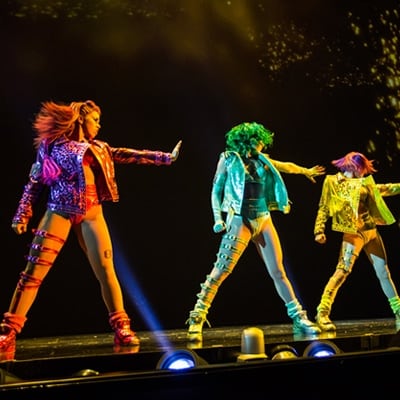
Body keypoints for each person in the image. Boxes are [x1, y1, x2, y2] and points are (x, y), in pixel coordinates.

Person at [0, 100, 182, 359]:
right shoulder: (50, 147)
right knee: (33, 273)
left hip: (92, 214)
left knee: (107, 271)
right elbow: (35, 182)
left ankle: (122, 327)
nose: (99, 124)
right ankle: (8, 332)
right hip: (58, 212)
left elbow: (127, 154)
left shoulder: (100, 148)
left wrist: (164, 158)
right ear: (81, 120)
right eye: (95, 119)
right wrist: (22, 214)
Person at [185, 121, 325, 342]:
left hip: (263, 218)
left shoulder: (262, 159)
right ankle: (197, 317)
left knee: (278, 271)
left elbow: (285, 165)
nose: (263, 144)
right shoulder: (228, 159)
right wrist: (217, 219)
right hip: (240, 219)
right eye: (259, 140)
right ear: (248, 140)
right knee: (221, 270)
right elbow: (216, 190)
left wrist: (305, 171)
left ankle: (299, 317)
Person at [314, 151, 400, 331]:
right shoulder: (332, 182)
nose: (364, 172)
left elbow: (385, 188)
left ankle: (398, 312)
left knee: (383, 272)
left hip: (370, 231)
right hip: (352, 234)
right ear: (353, 166)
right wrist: (319, 230)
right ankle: (322, 312)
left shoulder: (365, 183)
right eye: (362, 168)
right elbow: (323, 206)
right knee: (342, 271)